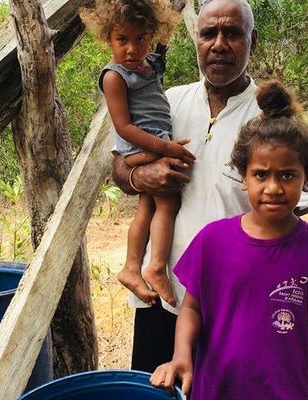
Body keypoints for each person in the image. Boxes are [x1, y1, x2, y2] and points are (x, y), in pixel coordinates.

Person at [112, 0, 308, 372]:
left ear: (252, 41)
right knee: (157, 390)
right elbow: (118, 164)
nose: (219, 44)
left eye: (233, 34)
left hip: (237, 304)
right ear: (196, 41)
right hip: (161, 295)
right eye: (209, 33)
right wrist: (139, 176)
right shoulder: (167, 100)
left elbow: (294, 219)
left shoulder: (272, 119)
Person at [150, 80, 308, 399]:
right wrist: (181, 355)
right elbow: (191, 308)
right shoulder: (212, 242)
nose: (273, 187)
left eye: (287, 175)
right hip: (215, 390)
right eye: (261, 174)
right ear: (243, 177)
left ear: (307, 178)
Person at [81, 0, 191, 309]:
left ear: (151, 36)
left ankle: (132, 268)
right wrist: (165, 148)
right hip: (140, 147)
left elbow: (166, 39)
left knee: (147, 206)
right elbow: (125, 127)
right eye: (122, 40)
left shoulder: (150, 64)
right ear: (108, 38)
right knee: (168, 202)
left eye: (140, 39)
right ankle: (155, 266)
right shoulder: (114, 76)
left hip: (153, 144)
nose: (131, 48)